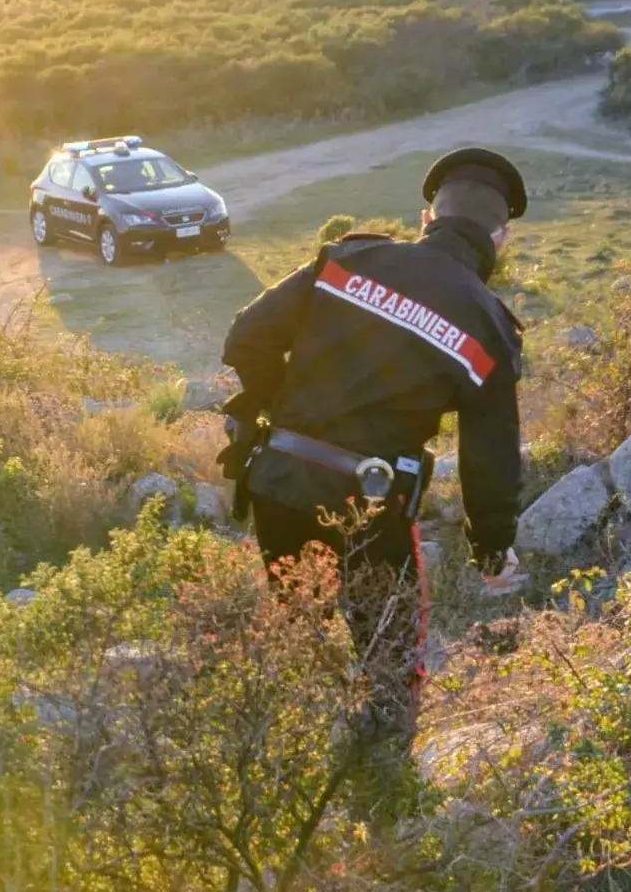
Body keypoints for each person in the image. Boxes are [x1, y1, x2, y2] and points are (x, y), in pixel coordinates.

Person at [218, 147, 530, 816]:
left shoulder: (346, 260)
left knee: (296, 631)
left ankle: (277, 785)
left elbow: (244, 337)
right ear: (501, 238)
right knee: (388, 655)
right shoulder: (488, 325)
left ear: (427, 216)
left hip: (278, 483)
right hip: (370, 504)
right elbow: (489, 452)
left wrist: (288, 414)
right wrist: (492, 542)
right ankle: (384, 805)